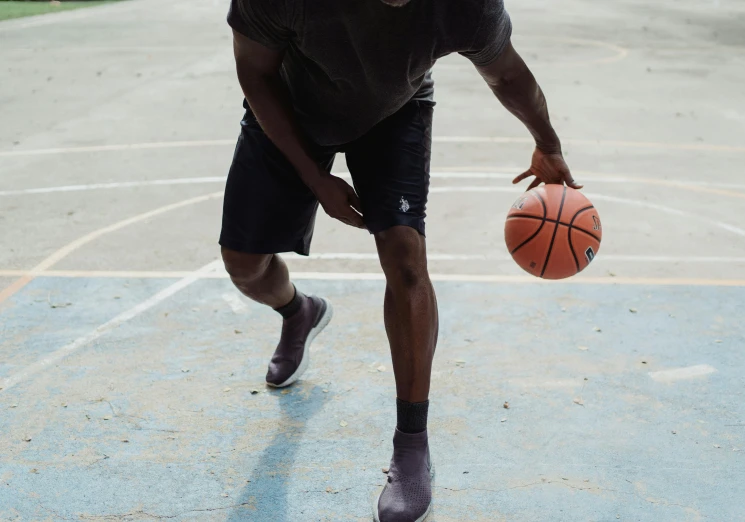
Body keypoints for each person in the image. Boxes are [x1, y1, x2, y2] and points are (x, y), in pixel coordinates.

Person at [221, 0, 580, 519]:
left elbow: (508, 75)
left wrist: (548, 143)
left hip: (395, 112)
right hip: (290, 105)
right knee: (244, 266)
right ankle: (298, 311)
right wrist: (316, 179)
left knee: (406, 258)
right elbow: (253, 71)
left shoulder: (464, 5)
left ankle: (412, 447)